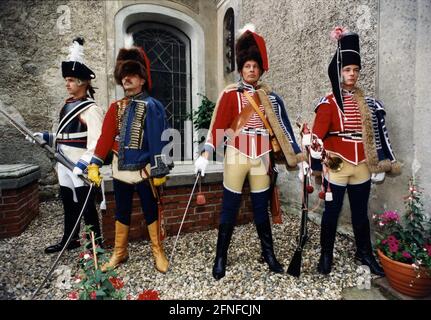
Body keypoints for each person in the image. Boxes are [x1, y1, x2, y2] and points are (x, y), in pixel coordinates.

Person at [195, 25, 303, 280]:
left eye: (255, 66)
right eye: (247, 66)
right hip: (236, 155)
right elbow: (219, 126)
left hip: (261, 159)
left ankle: (269, 254)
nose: (251, 69)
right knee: (229, 208)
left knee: (260, 208)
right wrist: (205, 153)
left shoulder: (272, 98)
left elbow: (285, 130)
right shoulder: (231, 95)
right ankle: (221, 256)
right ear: (241, 69)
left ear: (260, 69)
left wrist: (300, 160)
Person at [309, 27, 401, 276]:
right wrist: (316, 156)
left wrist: (382, 162)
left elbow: (379, 134)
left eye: (355, 70)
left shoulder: (369, 103)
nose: (352, 74)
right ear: (339, 72)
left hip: (361, 165)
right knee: (332, 212)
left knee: (361, 213)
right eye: (347, 70)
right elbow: (317, 138)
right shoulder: (327, 103)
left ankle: (364, 253)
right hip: (337, 164)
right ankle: (326, 255)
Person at [87, 35, 171, 273]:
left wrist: (159, 170)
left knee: (151, 211)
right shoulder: (116, 107)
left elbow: (159, 140)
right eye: (124, 74)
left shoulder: (153, 106)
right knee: (121, 211)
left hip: (145, 171)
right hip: (119, 170)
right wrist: (94, 164)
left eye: (132, 73)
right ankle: (120, 252)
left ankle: (158, 251)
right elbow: (105, 139)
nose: (126, 78)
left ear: (142, 79)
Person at [38, 37, 103, 253]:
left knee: (87, 206)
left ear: (83, 83)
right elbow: (65, 134)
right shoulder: (67, 106)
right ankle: (70, 238)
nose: (67, 83)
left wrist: (84, 163)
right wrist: (47, 137)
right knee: (68, 202)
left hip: (79, 163)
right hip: (63, 162)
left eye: (72, 80)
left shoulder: (90, 109)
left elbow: (97, 142)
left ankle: (96, 245)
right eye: (67, 79)